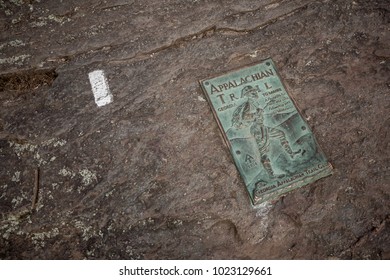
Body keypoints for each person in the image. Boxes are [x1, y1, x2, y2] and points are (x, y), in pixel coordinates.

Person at [231, 85, 301, 179]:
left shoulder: (254, 103)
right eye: (252, 92)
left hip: (262, 126)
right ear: (247, 95)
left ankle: (291, 153)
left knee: (280, 134)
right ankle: (271, 174)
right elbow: (245, 117)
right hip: (257, 129)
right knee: (264, 151)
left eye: (255, 91)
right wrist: (256, 113)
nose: (255, 93)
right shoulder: (249, 104)